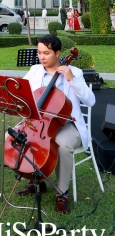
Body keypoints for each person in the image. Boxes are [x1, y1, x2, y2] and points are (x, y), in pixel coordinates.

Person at [15, 35, 95, 214]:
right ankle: (37, 182)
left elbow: (91, 101)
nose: (41, 57)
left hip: (67, 124)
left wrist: (72, 80)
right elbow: (22, 91)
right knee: (16, 137)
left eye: (46, 53)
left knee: (62, 145)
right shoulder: (35, 70)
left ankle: (62, 193)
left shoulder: (74, 72)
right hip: (40, 123)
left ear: (58, 53)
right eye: (39, 53)